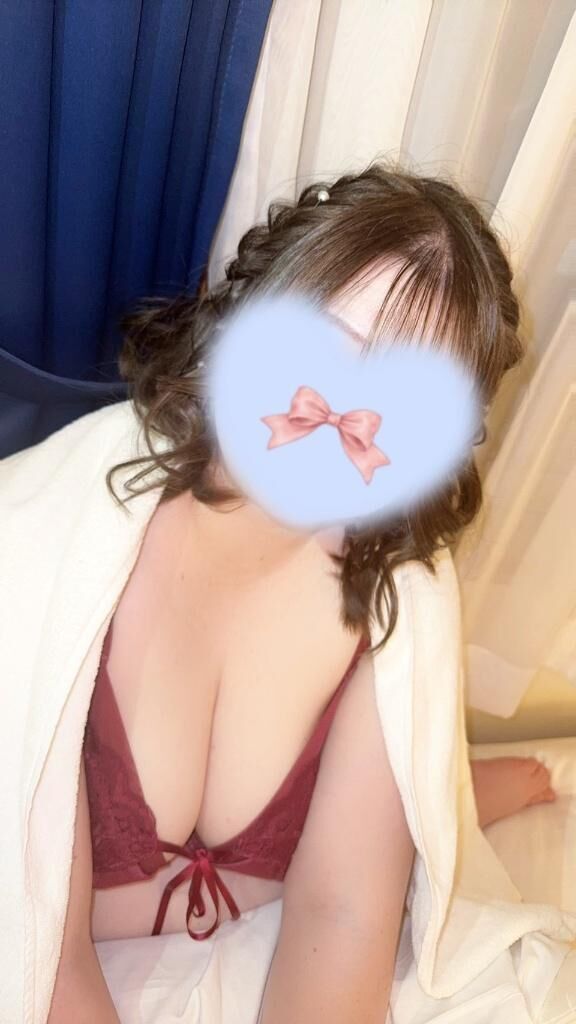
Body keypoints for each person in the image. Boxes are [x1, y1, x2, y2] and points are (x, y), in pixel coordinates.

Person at [41, 162, 555, 1023]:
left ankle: (456, 793)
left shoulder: (400, 589)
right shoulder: (72, 538)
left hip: (271, 918)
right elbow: (40, 947)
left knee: (426, 819)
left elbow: (343, 917)